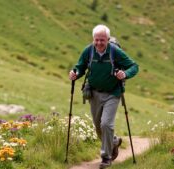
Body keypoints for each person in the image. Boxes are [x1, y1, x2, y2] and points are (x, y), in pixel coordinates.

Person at [69, 24, 139, 169]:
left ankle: (106, 157)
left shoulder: (115, 51)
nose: (99, 43)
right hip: (94, 93)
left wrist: (125, 74)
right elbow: (80, 67)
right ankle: (113, 142)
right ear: (93, 39)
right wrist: (75, 73)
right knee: (98, 128)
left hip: (113, 93)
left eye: (102, 40)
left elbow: (134, 66)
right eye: (97, 40)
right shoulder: (88, 51)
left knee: (106, 124)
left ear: (107, 39)